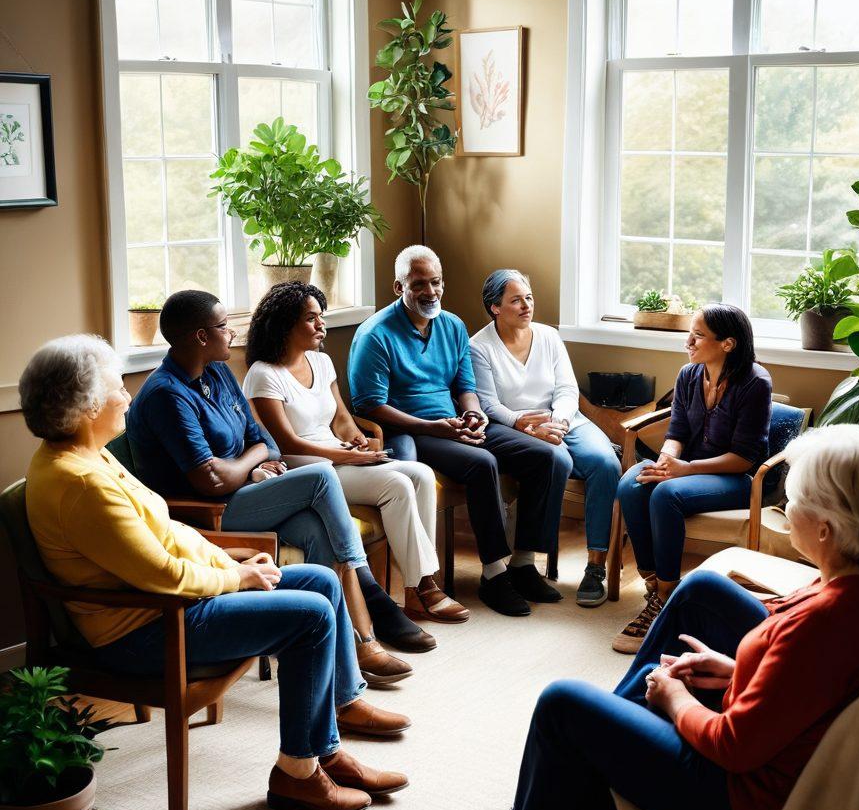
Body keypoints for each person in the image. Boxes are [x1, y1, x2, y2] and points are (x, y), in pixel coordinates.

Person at [433, 424, 859, 810]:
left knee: (563, 704)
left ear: (826, 529)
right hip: (761, 765)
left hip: (734, 802)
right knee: (700, 592)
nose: (785, 510)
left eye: (794, 500)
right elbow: (808, 684)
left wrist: (676, 698)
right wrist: (738, 668)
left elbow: (734, 745)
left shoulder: (821, 627)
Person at [20, 335, 410, 810]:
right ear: (86, 406)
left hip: (169, 605)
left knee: (320, 581)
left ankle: (324, 749)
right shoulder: (80, 483)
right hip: (144, 630)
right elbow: (161, 573)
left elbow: (168, 531)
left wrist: (235, 564)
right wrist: (238, 579)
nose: (126, 396)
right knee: (310, 616)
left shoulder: (91, 457)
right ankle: (297, 775)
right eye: (118, 388)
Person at [124, 290, 421, 684]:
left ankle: (352, 650)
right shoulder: (167, 394)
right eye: (223, 326)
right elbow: (210, 480)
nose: (231, 333)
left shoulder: (217, 372)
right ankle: (369, 592)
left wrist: (250, 461)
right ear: (199, 336)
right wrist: (252, 462)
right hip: (207, 514)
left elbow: (264, 438)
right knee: (320, 475)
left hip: (245, 494)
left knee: (318, 533)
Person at [347, 246, 570, 619]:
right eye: (419, 284)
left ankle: (523, 563)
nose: (430, 292)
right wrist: (433, 427)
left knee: (544, 455)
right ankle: (494, 575)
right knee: (482, 463)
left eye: (436, 282)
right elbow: (368, 405)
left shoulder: (452, 326)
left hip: (451, 422)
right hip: (410, 429)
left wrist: (474, 413)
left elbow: (465, 384)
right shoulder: (375, 334)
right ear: (397, 286)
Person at [243, 280, 447, 644]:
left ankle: (421, 585)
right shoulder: (264, 374)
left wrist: (355, 438)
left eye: (321, 317)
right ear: (285, 325)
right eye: (311, 319)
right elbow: (286, 441)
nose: (322, 326)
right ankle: (420, 590)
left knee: (420, 474)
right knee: (397, 484)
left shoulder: (321, 361)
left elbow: (340, 418)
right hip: (306, 468)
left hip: (341, 456)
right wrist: (348, 454)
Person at [613, 304, 772, 653]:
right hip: (687, 468)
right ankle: (654, 583)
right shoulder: (689, 374)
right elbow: (678, 431)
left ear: (728, 343)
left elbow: (744, 458)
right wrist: (667, 461)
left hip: (736, 479)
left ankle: (667, 598)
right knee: (632, 483)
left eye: (698, 335)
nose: (688, 341)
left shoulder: (755, 383)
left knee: (665, 495)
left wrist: (683, 469)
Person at [470, 269, 621, 606]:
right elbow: (488, 403)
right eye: (516, 300)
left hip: (564, 419)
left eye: (529, 298)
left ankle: (595, 566)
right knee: (558, 459)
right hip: (513, 426)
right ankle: (525, 564)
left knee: (606, 463)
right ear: (494, 307)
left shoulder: (549, 337)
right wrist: (524, 424)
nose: (526, 306)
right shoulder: (479, 347)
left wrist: (559, 423)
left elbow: (567, 388)